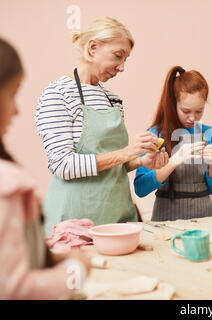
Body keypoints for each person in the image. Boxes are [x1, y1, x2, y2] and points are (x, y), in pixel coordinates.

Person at [35, 17, 168, 235]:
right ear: (93, 47)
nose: (122, 67)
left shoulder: (112, 100)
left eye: (126, 59)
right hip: (74, 224)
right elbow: (63, 166)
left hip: (118, 218)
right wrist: (125, 153)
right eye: (118, 56)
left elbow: (113, 166)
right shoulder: (57, 94)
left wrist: (142, 159)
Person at [0, 38, 91, 299]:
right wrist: (76, 271)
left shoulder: (112, 100)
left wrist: (51, 257)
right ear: (92, 49)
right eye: (12, 93)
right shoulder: (6, 184)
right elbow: (13, 288)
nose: (17, 110)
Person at [134, 66, 212, 221]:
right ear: (173, 104)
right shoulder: (156, 134)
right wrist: (173, 162)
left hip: (204, 220)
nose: (193, 118)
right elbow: (140, 188)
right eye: (186, 111)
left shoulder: (210, 134)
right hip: (166, 221)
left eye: (199, 111)